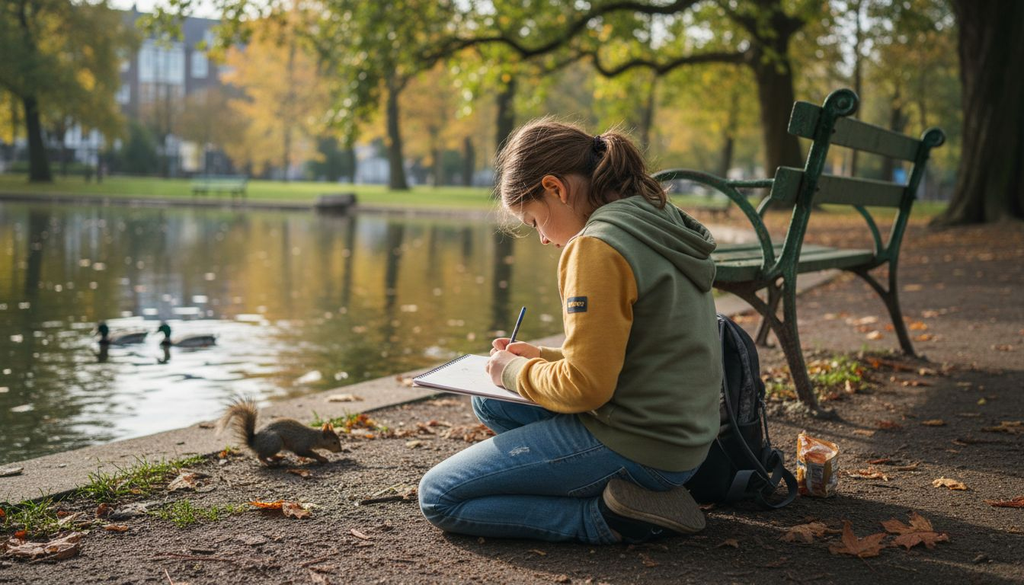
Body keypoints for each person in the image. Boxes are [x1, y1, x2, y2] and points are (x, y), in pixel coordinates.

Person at [418, 119, 723, 545]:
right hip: (683, 437)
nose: (541, 238)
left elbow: (585, 388)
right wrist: (541, 359)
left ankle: (611, 515)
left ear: (555, 189)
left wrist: (511, 372)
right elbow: (639, 349)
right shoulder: (652, 216)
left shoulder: (595, 247)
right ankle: (618, 485)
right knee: (492, 407)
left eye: (534, 220)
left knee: (439, 496)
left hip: (640, 443)